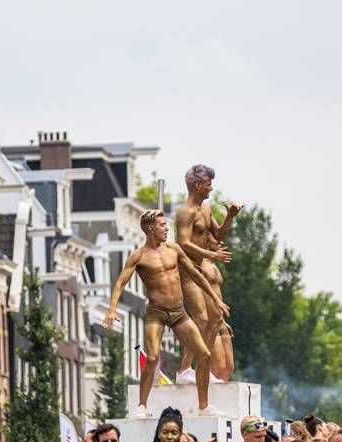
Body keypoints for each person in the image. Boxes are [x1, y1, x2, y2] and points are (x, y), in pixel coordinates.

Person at [102, 210, 229, 417]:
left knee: (204, 354)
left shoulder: (174, 249)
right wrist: (111, 309)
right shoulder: (139, 256)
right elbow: (120, 283)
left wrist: (215, 299)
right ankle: (142, 406)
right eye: (162, 225)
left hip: (178, 312)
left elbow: (195, 274)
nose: (167, 228)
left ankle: (203, 406)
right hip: (156, 313)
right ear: (151, 229)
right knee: (152, 358)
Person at [176, 164, 242, 384]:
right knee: (202, 319)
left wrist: (230, 217)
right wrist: (211, 255)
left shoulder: (205, 209)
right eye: (208, 184)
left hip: (200, 271)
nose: (211, 189)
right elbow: (184, 244)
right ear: (197, 185)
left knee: (215, 320)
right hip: (187, 271)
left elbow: (218, 236)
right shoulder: (186, 213)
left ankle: (202, 370)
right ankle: (184, 369)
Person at [202, 235, 234, 381]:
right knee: (217, 367)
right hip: (209, 319)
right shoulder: (199, 264)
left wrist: (223, 321)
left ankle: (222, 393)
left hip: (220, 318)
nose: (221, 244)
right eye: (217, 241)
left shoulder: (213, 265)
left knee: (229, 367)